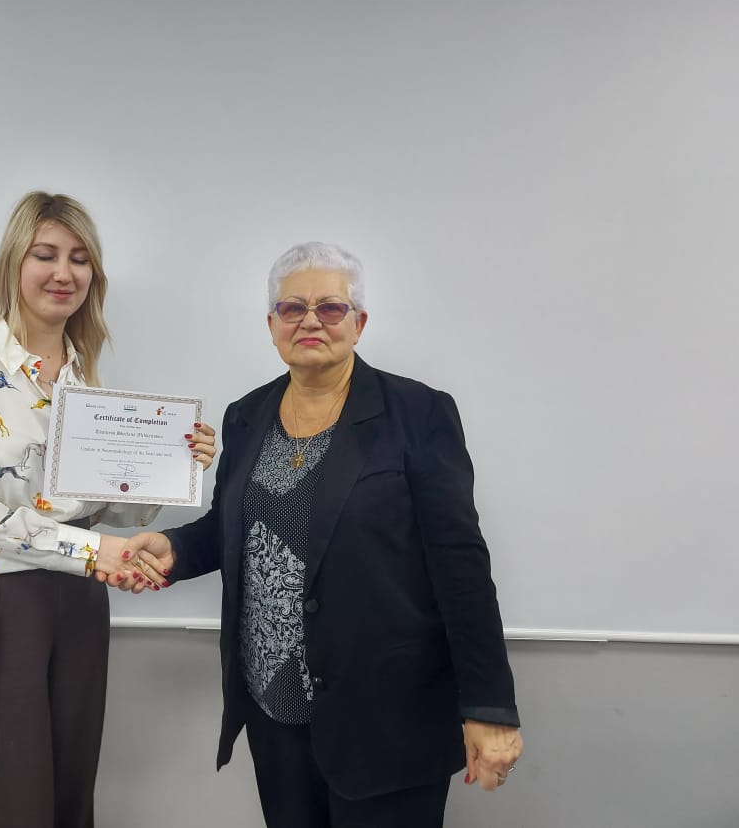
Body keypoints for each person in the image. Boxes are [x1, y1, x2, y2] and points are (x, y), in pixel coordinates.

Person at [112, 242, 522, 827]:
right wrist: (173, 549)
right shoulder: (246, 415)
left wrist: (489, 706)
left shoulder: (418, 413)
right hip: (274, 710)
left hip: (387, 717)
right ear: (272, 325)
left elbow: (461, 566)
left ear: (359, 323)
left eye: (329, 307)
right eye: (292, 308)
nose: (310, 321)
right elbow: (234, 528)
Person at [0, 190, 216, 828]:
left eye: (79, 259)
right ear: (14, 263)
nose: (63, 272)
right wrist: (90, 551)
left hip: (74, 596)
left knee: (67, 783)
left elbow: (98, 511)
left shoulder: (82, 382)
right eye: (45, 254)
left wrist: (175, 464)